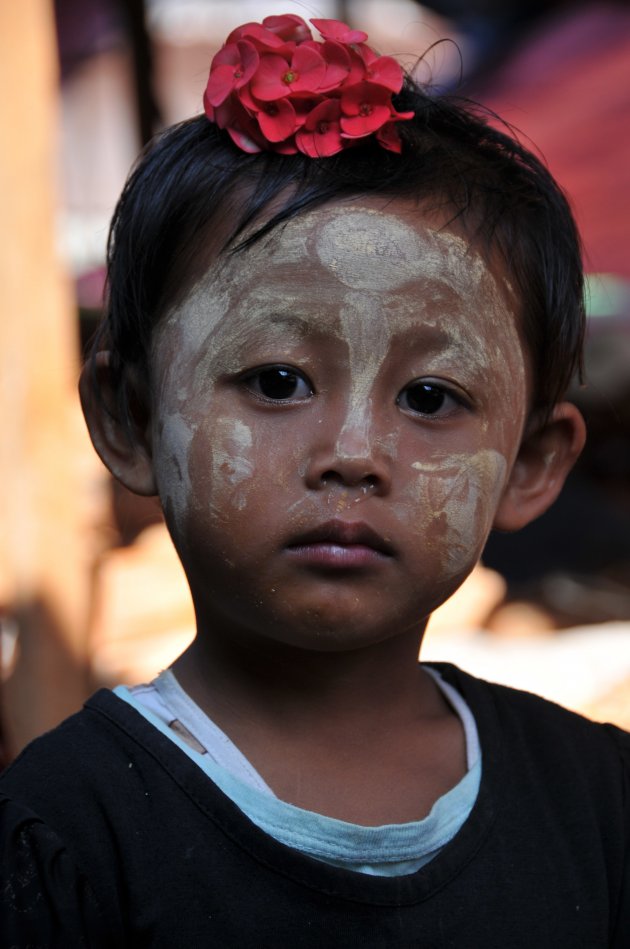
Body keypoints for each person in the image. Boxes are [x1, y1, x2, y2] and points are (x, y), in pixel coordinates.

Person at [1, 13, 628, 947]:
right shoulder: (61, 832)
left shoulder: (600, 799)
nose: (353, 451)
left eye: (429, 395)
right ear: (130, 421)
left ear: (531, 465)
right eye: (278, 381)